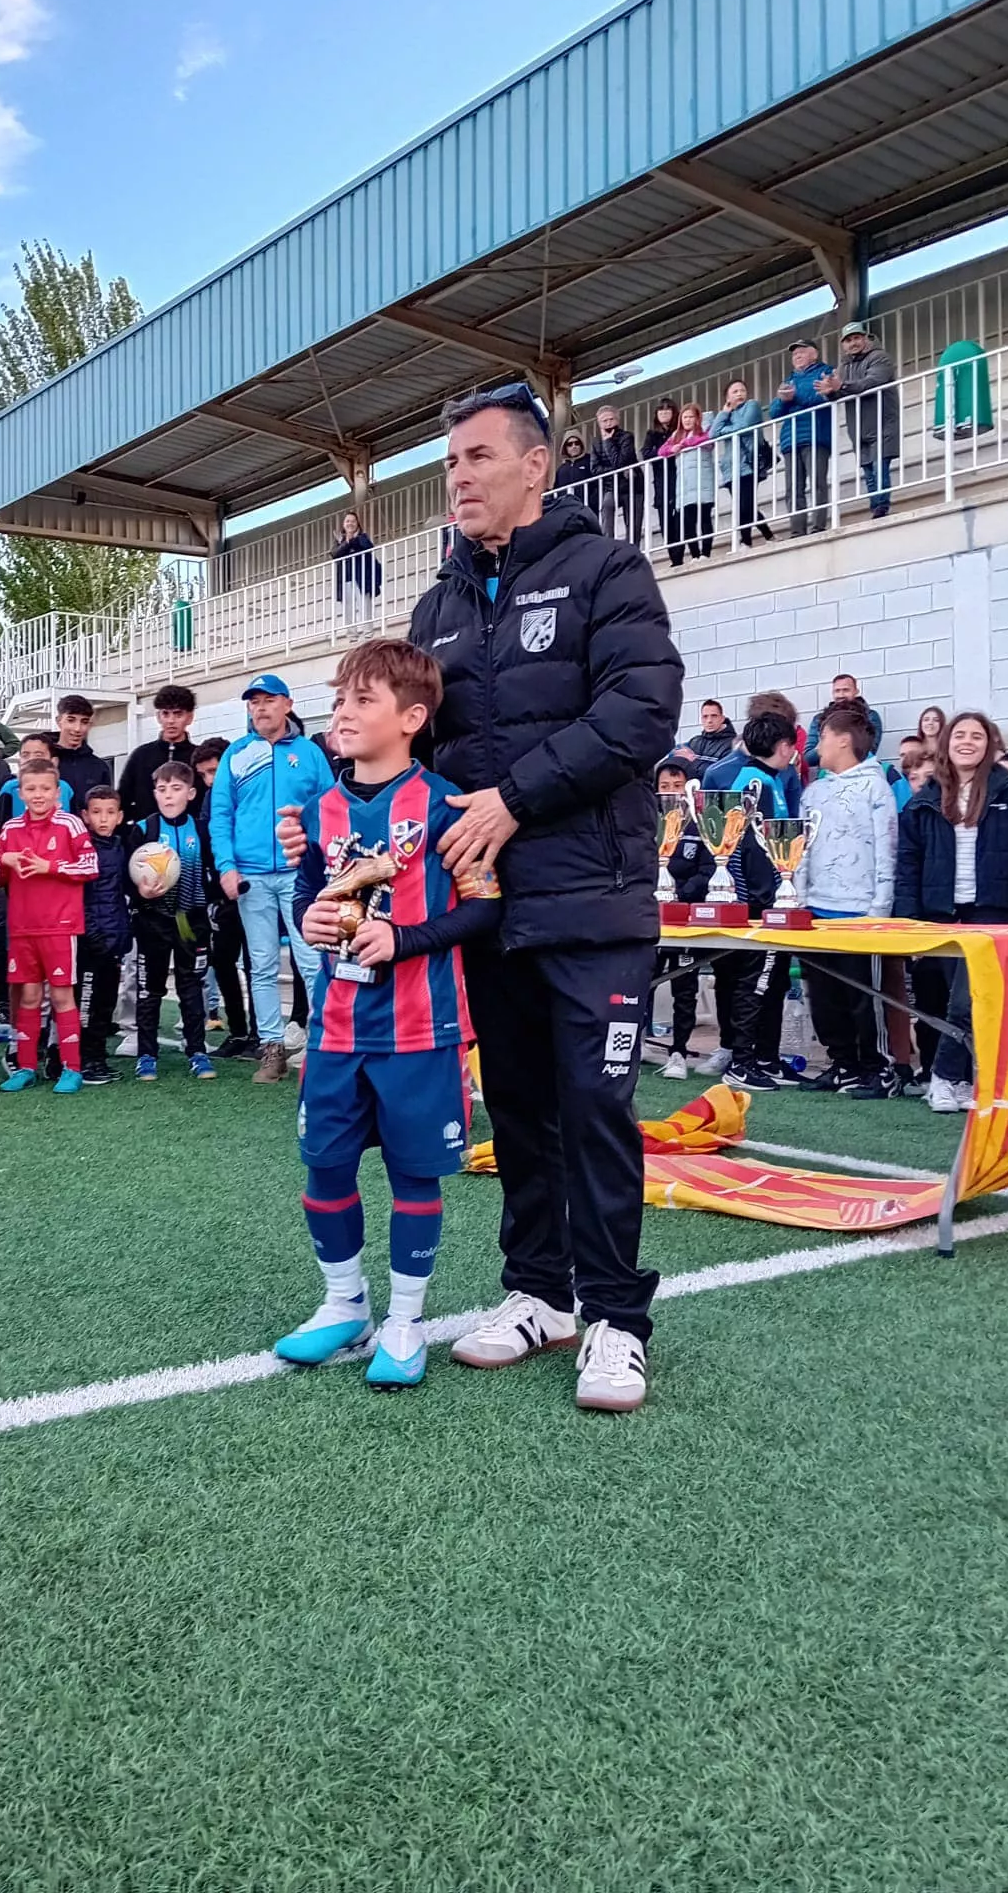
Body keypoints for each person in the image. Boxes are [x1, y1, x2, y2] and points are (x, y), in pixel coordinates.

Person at [406, 380, 682, 1412]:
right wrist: (342, 806)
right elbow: (418, 753)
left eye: (477, 457)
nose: (459, 478)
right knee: (518, 1108)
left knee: (596, 1107)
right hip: (491, 910)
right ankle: (538, 1292)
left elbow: (639, 714)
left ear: (536, 464)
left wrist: (514, 801)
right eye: (449, 463)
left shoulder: (608, 570)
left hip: (594, 902)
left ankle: (615, 1316)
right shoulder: (437, 606)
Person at [279, 639, 503, 1388]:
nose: (343, 712)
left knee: (415, 1178)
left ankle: (405, 1321)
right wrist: (311, 921)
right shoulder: (320, 810)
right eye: (340, 698)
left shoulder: (448, 806)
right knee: (325, 1168)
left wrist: (406, 939)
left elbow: (485, 911)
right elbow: (318, 897)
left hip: (420, 1029)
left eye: (362, 700)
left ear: (412, 717)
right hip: (338, 1028)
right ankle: (345, 1306)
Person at [895, 711, 1008, 1113]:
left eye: (977, 737)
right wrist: (908, 925)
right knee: (952, 1002)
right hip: (941, 916)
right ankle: (961, 1080)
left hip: (993, 915)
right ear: (947, 743)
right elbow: (909, 865)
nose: (967, 742)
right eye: (960, 735)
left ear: (990, 746)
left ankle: (945, 1077)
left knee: (970, 1002)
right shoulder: (924, 801)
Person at [209, 673, 334, 1084]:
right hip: (252, 877)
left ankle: (325, 1046)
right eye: (253, 702)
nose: (260, 708)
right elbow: (221, 815)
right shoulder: (236, 754)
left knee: (313, 960)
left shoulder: (310, 754)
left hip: (302, 874)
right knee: (260, 964)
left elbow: (331, 809)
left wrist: (321, 861)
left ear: (287, 704)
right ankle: (272, 1049)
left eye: (268, 700)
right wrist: (226, 867)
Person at [793, 700, 899, 1099]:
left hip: (859, 913)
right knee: (824, 997)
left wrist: (880, 909)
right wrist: (799, 899)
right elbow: (799, 848)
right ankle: (843, 1064)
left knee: (863, 998)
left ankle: (879, 1068)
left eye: (822, 737)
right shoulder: (813, 791)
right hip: (817, 910)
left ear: (842, 740)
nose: (817, 746)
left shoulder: (876, 787)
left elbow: (887, 850)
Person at [701, 712, 802, 1094]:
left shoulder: (768, 779)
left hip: (769, 901)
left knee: (773, 982)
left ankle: (766, 1058)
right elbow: (751, 849)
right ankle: (742, 1063)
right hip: (759, 907)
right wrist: (765, 901)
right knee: (756, 982)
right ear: (783, 747)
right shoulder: (753, 783)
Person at [0, 753, 96, 1093]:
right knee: (29, 997)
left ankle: (72, 1068)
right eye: (31, 788)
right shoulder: (10, 828)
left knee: (63, 996)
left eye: (45, 788)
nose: (38, 795)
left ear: (57, 792)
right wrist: (2, 860)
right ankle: (24, 1067)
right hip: (22, 928)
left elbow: (90, 866)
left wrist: (49, 867)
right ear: (20, 792)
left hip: (60, 927)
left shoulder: (70, 824)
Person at [126, 761, 217, 1082]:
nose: (168, 795)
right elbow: (127, 879)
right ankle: (147, 1055)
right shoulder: (143, 830)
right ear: (154, 793)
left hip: (191, 922)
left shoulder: (202, 830)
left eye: (176, 789)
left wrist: (216, 900)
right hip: (154, 921)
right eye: (162, 789)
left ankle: (197, 1051)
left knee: (191, 987)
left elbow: (214, 875)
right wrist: (140, 892)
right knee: (150, 989)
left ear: (191, 793)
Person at [650, 757, 713, 1081]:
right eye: (664, 787)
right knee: (641, 982)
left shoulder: (699, 824)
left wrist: (679, 892)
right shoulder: (646, 822)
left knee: (683, 987)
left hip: (685, 918)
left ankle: (678, 1051)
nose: (671, 793)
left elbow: (708, 869)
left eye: (677, 786)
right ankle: (635, 1045)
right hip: (649, 917)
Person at [192, 736, 255, 1059]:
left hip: (255, 886)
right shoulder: (209, 801)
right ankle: (239, 1032)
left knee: (257, 961)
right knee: (224, 960)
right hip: (224, 895)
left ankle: (261, 1034)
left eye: (214, 771)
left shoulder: (249, 792)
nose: (210, 780)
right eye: (203, 774)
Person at [75, 786, 130, 1085]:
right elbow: (80, 898)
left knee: (105, 1005)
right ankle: (81, 1060)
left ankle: (97, 1059)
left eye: (110, 812)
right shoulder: (83, 848)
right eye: (96, 812)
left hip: (114, 941)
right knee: (86, 1005)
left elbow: (120, 895)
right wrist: (91, 936)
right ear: (85, 816)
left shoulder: (121, 847)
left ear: (120, 816)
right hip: (90, 943)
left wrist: (123, 936)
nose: (103, 819)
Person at [821, 323, 900, 518]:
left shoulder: (880, 357)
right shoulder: (844, 366)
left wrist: (842, 386)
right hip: (858, 426)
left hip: (882, 422)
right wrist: (829, 392)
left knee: (879, 466)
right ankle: (875, 506)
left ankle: (881, 506)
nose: (852, 343)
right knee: (868, 469)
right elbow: (838, 392)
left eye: (856, 338)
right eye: (848, 340)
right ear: (842, 345)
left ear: (865, 339)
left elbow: (871, 382)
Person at [770, 337, 834, 537]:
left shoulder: (825, 372)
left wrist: (793, 398)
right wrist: (783, 400)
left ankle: (818, 526)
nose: (797, 356)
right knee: (793, 488)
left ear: (814, 354)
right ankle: (797, 530)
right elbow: (774, 412)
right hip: (791, 439)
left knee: (817, 483)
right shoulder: (789, 380)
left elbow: (821, 397)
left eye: (802, 352)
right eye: (794, 354)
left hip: (816, 435)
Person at [706, 379, 772, 544]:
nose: (740, 394)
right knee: (744, 506)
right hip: (730, 467)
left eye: (742, 390)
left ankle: (746, 541)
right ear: (727, 397)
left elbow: (744, 426)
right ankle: (768, 535)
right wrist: (724, 413)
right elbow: (713, 434)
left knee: (745, 505)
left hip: (749, 463)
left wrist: (725, 429)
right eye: (734, 392)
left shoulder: (752, 405)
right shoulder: (726, 415)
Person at [118, 685, 197, 822]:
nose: (171, 721)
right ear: (158, 716)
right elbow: (122, 799)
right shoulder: (141, 756)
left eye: (178, 714)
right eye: (166, 713)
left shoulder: (198, 757)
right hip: (147, 838)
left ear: (189, 717)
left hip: (191, 838)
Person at [657, 403, 715, 564]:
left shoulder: (705, 428)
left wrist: (682, 445)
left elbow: (706, 440)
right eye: (685, 417)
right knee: (687, 521)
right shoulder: (677, 434)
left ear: (697, 418)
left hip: (702, 481)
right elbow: (661, 451)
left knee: (704, 517)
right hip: (684, 485)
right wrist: (673, 448)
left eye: (691, 417)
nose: (688, 420)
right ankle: (695, 554)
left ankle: (706, 553)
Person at [591, 405, 643, 545]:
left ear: (617, 420)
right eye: (604, 421)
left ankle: (633, 551)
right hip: (611, 485)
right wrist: (616, 469)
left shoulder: (627, 437)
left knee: (633, 522)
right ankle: (609, 547)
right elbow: (595, 469)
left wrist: (608, 442)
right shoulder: (596, 442)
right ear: (599, 423)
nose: (608, 423)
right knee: (607, 507)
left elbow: (621, 461)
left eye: (611, 419)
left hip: (633, 485)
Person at [804, 674, 883, 766]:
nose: (841, 695)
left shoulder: (870, 716)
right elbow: (808, 759)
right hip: (827, 776)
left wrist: (828, 746)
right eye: (837, 691)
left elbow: (869, 752)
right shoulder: (819, 719)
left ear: (856, 691)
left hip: (860, 774)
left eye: (846, 690)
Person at [0, 733, 75, 824]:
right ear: (19, 762)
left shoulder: (65, 788)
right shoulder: (10, 788)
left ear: (54, 762)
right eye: (25, 755)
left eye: (38, 755)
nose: (31, 759)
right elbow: (1, 826)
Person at [53, 693, 113, 811]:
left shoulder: (100, 767)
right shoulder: (46, 761)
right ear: (59, 721)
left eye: (84, 722)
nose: (77, 728)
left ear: (90, 725)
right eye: (71, 720)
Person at [640, 395, 681, 550]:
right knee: (664, 518)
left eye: (667, 410)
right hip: (661, 480)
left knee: (680, 516)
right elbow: (645, 453)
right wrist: (666, 452)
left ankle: (682, 549)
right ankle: (674, 555)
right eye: (660, 411)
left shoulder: (678, 432)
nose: (663, 413)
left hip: (678, 476)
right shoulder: (652, 434)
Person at [331, 511, 382, 631]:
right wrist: (347, 543)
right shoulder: (339, 541)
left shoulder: (363, 537)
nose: (350, 523)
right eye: (347, 521)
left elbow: (367, 547)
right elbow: (335, 554)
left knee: (364, 604)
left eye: (353, 521)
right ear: (343, 524)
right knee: (347, 607)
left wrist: (351, 541)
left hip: (362, 577)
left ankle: (368, 632)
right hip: (345, 578)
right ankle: (352, 634)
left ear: (357, 524)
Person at [671, 698, 737, 779]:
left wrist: (693, 761)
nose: (709, 720)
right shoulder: (695, 741)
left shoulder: (733, 744)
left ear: (722, 718)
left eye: (714, 716)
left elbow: (721, 774)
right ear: (701, 719)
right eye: (705, 716)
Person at [553, 428, 592, 492]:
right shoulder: (561, 470)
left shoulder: (590, 461)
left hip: (587, 501)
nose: (574, 446)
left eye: (577, 443)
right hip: (566, 501)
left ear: (581, 445)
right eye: (569, 444)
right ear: (565, 448)